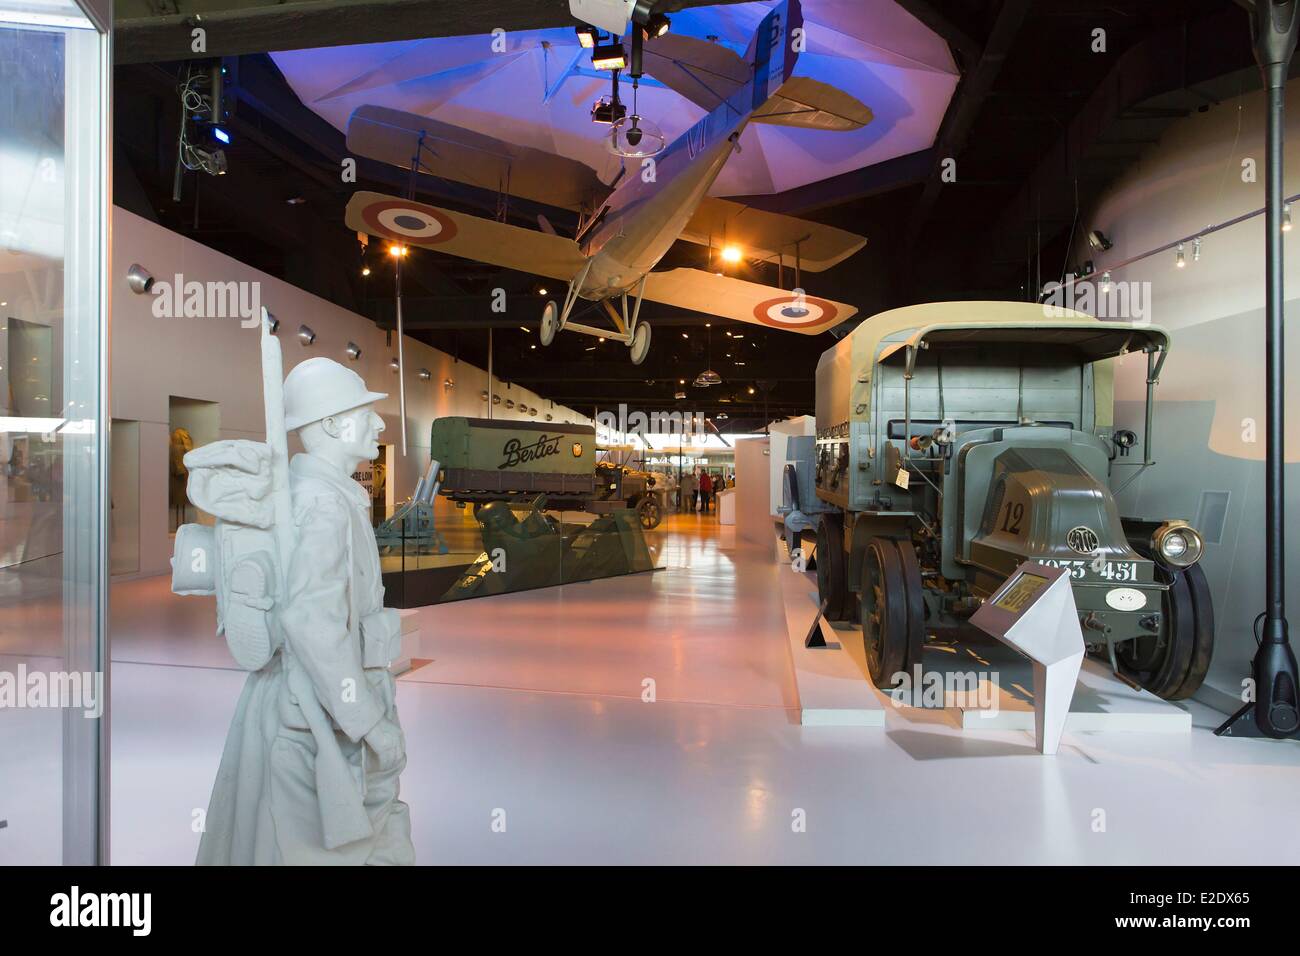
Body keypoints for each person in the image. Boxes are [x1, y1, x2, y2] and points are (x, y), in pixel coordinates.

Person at [197, 357, 414, 865]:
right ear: (335, 423)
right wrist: (370, 722)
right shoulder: (325, 505)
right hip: (321, 716)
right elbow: (312, 624)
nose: (379, 424)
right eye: (366, 412)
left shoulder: (322, 496)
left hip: (307, 705)